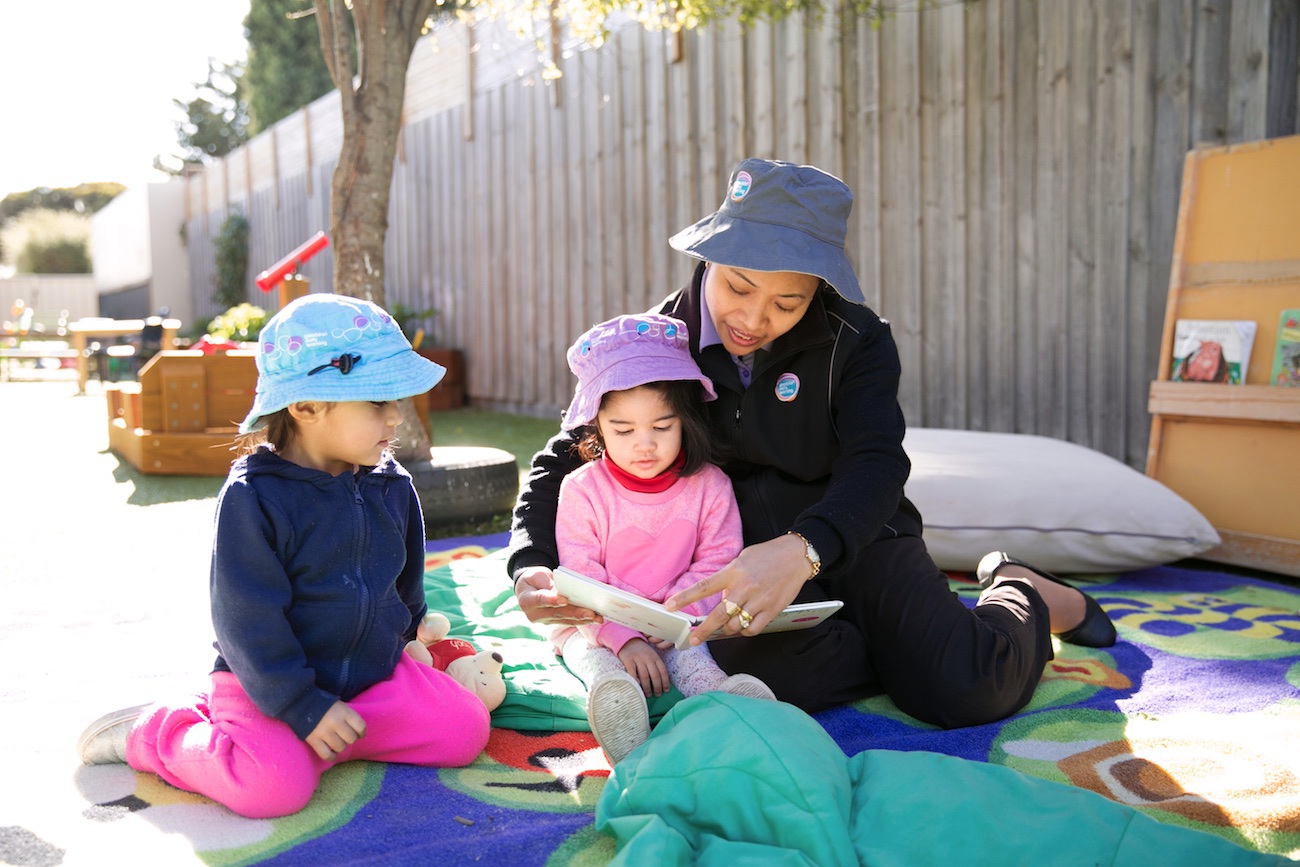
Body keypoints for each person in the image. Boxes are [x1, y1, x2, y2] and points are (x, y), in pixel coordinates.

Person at [508, 158, 1117, 729]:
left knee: (964, 687)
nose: (752, 318)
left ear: (818, 289)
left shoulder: (859, 341)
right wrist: (530, 563)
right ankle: (904, 651)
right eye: (738, 287)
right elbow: (565, 457)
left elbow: (878, 464)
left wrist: (804, 550)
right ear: (710, 257)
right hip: (742, 560)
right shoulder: (655, 344)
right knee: (750, 676)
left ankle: (1023, 592)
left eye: (786, 303)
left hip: (859, 537)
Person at [76, 293, 491, 818]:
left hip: (368, 679)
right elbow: (245, 620)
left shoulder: (393, 484)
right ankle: (161, 732)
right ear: (306, 407)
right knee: (272, 789)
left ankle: (326, 737)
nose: (395, 420)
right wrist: (301, 706)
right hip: (271, 683)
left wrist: (409, 637)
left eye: (395, 403)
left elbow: (403, 581)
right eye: (377, 404)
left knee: (464, 729)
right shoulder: (256, 497)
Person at [551, 313, 776, 764]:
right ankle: (617, 707)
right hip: (596, 623)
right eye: (623, 430)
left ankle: (725, 704)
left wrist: (675, 619)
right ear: (598, 427)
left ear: (686, 421)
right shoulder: (581, 490)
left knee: (694, 660)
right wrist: (624, 635)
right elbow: (581, 575)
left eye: (662, 427)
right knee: (596, 660)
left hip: (678, 622)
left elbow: (718, 560)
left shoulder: (710, 486)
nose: (644, 445)